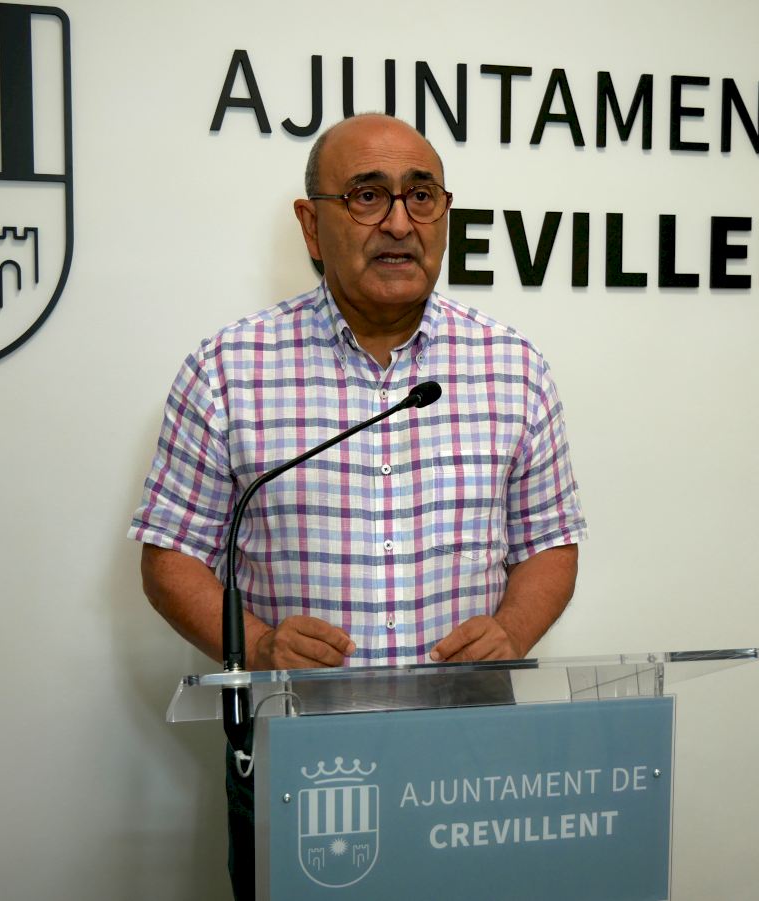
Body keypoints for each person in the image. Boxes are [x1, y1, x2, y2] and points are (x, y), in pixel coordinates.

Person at [127, 113, 586, 898]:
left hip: (471, 765)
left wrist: (510, 631)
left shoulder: (513, 365)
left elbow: (551, 542)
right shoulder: (229, 368)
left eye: (421, 195)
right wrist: (261, 643)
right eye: (368, 196)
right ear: (312, 224)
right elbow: (170, 555)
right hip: (301, 767)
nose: (400, 223)